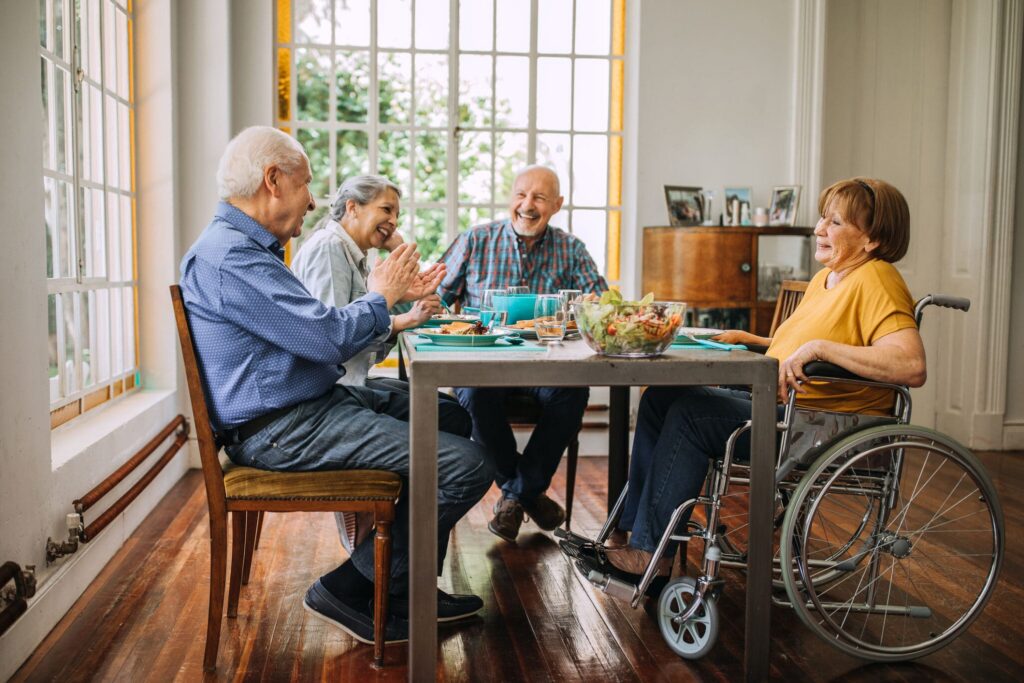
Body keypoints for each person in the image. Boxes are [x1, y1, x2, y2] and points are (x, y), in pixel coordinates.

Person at [179, 126, 495, 645]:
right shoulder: (231, 257)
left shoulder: (245, 248)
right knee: (470, 464)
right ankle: (352, 588)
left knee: (451, 415)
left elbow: (316, 331)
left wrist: (385, 300)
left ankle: (403, 585)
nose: (314, 201)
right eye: (307, 186)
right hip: (282, 426)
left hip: (303, 403)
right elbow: (326, 339)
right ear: (273, 180)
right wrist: (381, 295)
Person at [578, 177, 927, 579]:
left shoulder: (877, 278)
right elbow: (798, 348)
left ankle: (647, 556)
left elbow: (909, 364)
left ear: (872, 239)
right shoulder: (827, 279)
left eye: (835, 222)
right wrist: (755, 340)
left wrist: (820, 349)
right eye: (822, 218)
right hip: (784, 410)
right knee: (660, 398)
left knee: (692, 413)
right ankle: (635, 536)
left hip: (819, 427)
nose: (819, 229)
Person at [291, 174, 473, 552]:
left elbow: (360, 336)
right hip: (332, 392)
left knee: (453, 413)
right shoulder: (329, 249)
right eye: (386, 209)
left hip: (348, 382)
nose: (393, 219)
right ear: (353, 208)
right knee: (461, 443)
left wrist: (399, 300)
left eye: (397, 212)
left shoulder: (354, 256)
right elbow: (336, 339)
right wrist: (401, 320)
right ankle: (382, 548)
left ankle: (396, 547)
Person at [437, 165, 608, 542]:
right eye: (520, 195)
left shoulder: (571, 249)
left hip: (548, 367)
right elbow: (436, 297)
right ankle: (528, 493)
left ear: (557, 205)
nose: (527, 205)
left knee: (574, 392)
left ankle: (516, 496)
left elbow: (599, 303)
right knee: (474, 395)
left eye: (539, 198)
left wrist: (593, 305)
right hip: (485, 364)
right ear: (510, 198)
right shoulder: (475, 240)